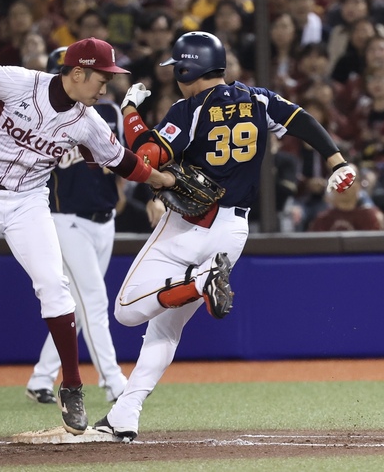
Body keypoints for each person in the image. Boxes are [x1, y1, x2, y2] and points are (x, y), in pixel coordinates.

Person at [0, 37, 174, 449]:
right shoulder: (21, 82)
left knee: (55, 287)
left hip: (28, 200)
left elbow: (123, 162)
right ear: (78, 72)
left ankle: (72, 387)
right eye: (101, 78)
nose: (105, 87)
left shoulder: (88, 121)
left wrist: (161, 180)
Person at [92, 31, 356, 441]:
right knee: (165, 329)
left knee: (127, 309)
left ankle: (199, 282)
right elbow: (301, 119)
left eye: (177, 69)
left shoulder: (189, 108)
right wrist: (337, 161)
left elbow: (146, 156)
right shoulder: (258, 98)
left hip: (189, 224)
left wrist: (129, 111)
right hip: (233, 232)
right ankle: (124, 415)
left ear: (187, 69)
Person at [25, 48, 162, 405]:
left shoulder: (108, 112)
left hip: (104, 219)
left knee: (79, 304)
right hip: (65, 219)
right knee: (94, 300)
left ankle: (41, 377)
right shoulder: (42, 115)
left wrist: (130, 190)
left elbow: (123, 158)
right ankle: (114, 382)